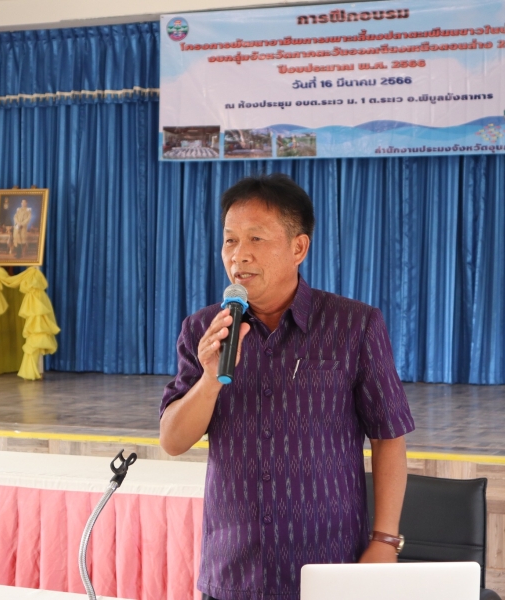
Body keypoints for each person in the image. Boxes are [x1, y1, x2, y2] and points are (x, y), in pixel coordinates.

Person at [160, 173, 414, 600]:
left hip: (329, 567)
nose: (239, 255)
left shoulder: (354, 325)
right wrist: (209, 379)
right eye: (230, 240)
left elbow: (388, 435)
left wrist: (385, 540)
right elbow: (172, 440)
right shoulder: (204, 329)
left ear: (299, 248)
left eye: (256, 239)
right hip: (234, 574)